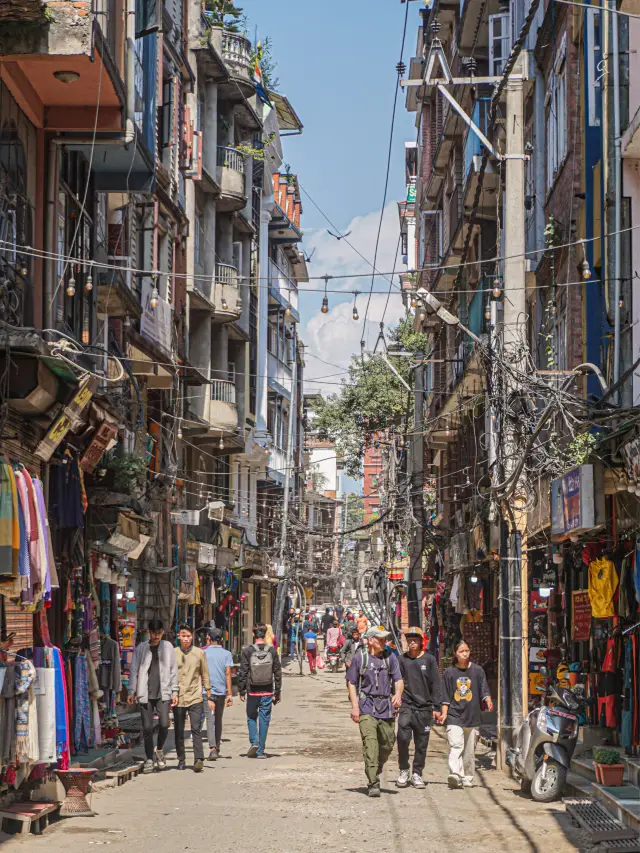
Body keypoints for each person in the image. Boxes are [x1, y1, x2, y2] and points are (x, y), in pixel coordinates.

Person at [346, 627, 404, 797]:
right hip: (366, 706)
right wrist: (355, 706)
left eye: (385, 639)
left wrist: (398, 694)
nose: (384, 642)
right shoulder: (360, 657)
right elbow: (351, 682)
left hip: (386, 707)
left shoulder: (390, 657)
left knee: (387, 744)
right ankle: (373, 782)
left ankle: (375, 767)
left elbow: (399, 679)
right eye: (380, 639)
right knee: (370, 744)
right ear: (370, 640)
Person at [441, 640, 494, 789]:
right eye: (461, 651)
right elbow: (445, 695)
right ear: (455, 654)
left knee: (469, 751)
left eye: (467, 651)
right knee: (456, 745)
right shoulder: (449, 672)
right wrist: (444, 713)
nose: (465, 654)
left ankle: (467, 777)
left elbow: (484, 689)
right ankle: (455, 774)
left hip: (472, 716)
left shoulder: (477, 671)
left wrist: (488, 701)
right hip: (454, 715)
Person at [128, 618, 178, 773]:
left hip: (163, 693)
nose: (156, 636)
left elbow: (173, 670)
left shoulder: (168, 647)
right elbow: (134, 670)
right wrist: (131, 690)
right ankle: (149, 758)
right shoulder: (141, 648)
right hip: (145, 693)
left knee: (164, 724)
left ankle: (160, 749)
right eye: (154, 633)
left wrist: (175, 691)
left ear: (162, 632)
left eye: (159, 633)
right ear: (149, 632)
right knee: (148, 728)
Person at [396, 627, 443, 789]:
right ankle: (403, 770)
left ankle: (417, 773)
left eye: (415, 639)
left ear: (421, 641)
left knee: (421, 743)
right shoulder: (401, 660)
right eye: (409, 639)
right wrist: (395, 699)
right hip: (406, 706)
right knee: (402, 738)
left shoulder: (429, 660)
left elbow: (436, 684)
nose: (412, 642)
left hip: (424, 708)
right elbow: (397, 681)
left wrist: (437, 707)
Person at [238, 623, 282, 758]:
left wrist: (241, 690)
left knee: (251, 717)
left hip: (252, 691)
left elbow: (243, 672)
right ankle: (261, 750)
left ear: (253, 634)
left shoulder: (247, 651)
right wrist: (277, 691)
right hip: (268, 690)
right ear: (265, 634)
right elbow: (277, 672)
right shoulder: (272, 651)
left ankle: (254, 742)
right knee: (264, 719)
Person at [174, 624, 214, 772]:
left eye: (188, 636)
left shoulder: (199, 653)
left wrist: (209, 696)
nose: (185, 639)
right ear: (179, 636)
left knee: (195, 728)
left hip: (196, 696)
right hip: (178, 697)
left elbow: (205, 674)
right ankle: (181, 760)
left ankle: (198, 759)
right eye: (183, 636)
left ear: (192, 637)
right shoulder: (173, 653)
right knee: (179, 731)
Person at [202, 628, 233, 760]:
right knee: (218, 719)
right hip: (221, 691)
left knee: (210, 719)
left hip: (206, 690)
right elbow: (227, 674)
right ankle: (217, 746)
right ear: (221, 639)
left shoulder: (202, 652)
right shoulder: (226, 654)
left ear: (208, 637)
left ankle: (212, 748)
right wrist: (229, 693)